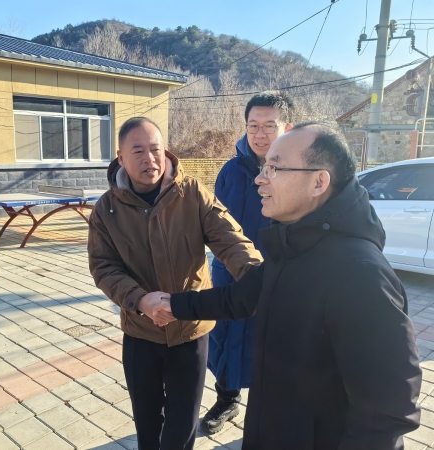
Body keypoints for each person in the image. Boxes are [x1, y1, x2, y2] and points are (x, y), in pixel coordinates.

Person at [151, 123, 422, 449]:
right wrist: (173, 304)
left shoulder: (361, 274)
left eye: (275, 168)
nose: (260, 179)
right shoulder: (293, 244)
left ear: (319, 182)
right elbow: (240, 298)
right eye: (264, 167)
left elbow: (388, 410)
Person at [88, 117, 262, 450]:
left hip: (190, 331)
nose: (149, 159)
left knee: (182, 425)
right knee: (147, 422)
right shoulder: (106, 209)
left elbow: (229, 238)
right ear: (121, 157)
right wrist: (140, 300)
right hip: (140, 332)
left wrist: (257, 275)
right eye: (138, 151)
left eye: (155, 149)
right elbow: (103, 266)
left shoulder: (192, 192)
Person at [203, 91, 294, 434]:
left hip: (278, 276)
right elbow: (213, 221)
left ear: (287, 128)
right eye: (253, 125)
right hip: (229, 273)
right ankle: (226, 400)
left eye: (269, 126)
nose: (260, 134)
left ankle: (271, 410)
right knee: (226, 337)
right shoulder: (230, 170)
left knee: (273, 342)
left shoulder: (298, 170)